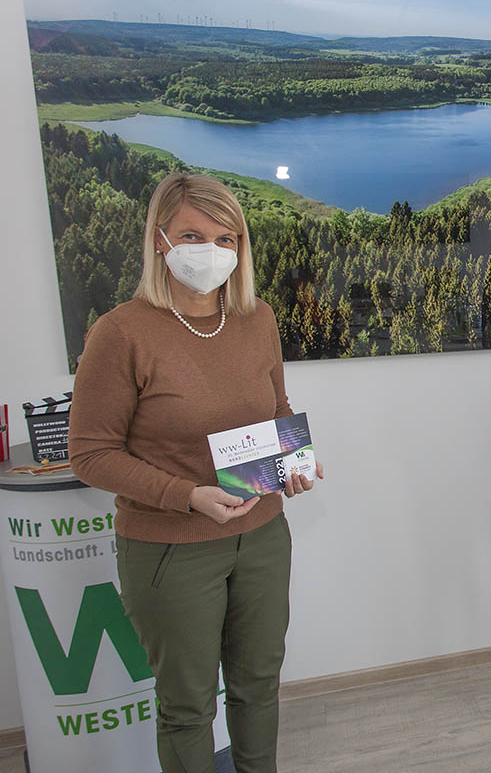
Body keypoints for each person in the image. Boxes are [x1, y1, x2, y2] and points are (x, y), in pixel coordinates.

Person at [68, 172, 324, 772]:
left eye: (227, 238)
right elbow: (90, 454)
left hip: (262, 535)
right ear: (160, 240)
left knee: (258, 685)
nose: (211, 251)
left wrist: (295, 458)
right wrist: (186, 495)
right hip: (170, 548)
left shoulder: (256, 318)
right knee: (186, 707)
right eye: (192, 234)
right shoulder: (120, 333)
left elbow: (276, 407)